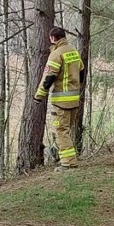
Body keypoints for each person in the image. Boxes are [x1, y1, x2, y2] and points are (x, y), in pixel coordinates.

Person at [34, 27, 84, 172]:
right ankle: (57, 151)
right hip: (74, 99)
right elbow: (81, 72)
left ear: (53, 38)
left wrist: (39, 96)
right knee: (65, 130)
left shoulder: (56, 54)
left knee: (61, 131)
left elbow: (48, 78)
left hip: (61, 101)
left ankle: (68, 163)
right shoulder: (73, 51)